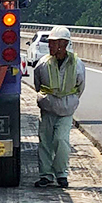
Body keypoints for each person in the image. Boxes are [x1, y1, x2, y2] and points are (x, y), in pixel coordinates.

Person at [31, 25, 85, 188]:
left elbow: (80, 86)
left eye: (53, 43)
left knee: (61, 140)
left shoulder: (77, 64)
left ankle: (61, 173)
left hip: (66, 109)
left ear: (63, 44)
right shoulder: (43, 63)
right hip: (48, 109)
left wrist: (70, 101)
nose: (50, 46)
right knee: (45, 141)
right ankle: (46, 175)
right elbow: (38, 84)